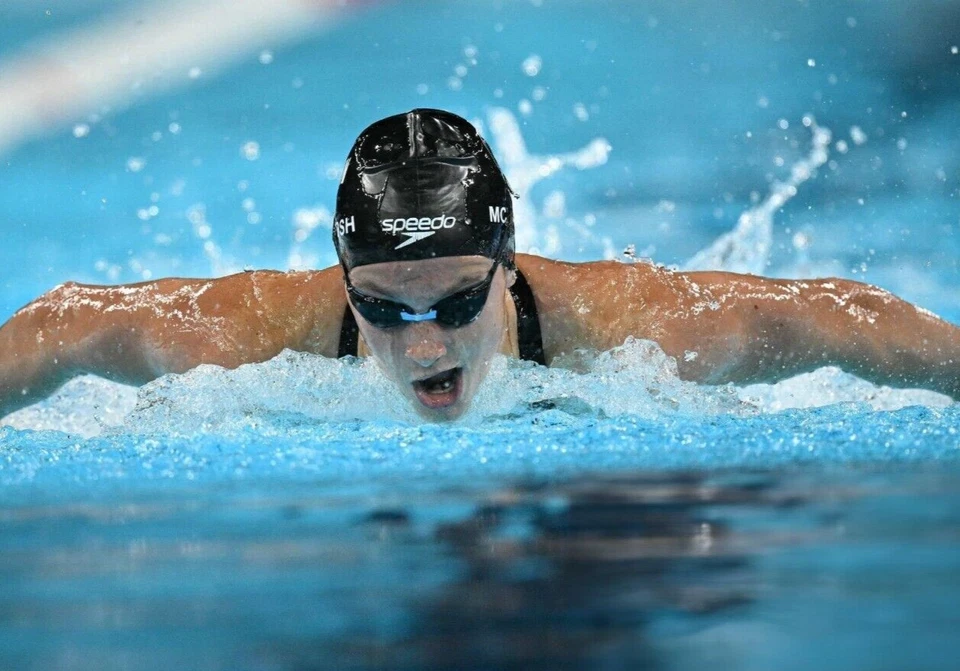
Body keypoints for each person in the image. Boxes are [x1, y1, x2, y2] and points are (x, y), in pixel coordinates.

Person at [1, 108, 958, 421]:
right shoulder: (245, 338)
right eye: (382, 308)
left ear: (507, 267)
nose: (422, 344)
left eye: (456, 301)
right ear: (341, 284)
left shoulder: (637, 330)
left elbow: (842, 312)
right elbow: (67, 322)